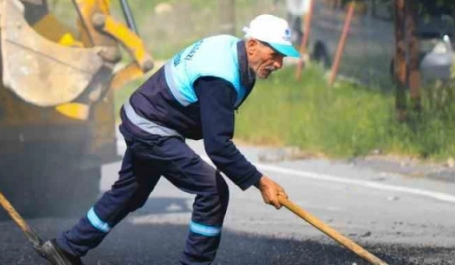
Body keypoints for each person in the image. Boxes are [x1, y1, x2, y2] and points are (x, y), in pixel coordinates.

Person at [38, 14, 298, 265]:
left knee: (131, 193)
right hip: (151, 127)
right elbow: (218, 147)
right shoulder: (219, 76)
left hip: (145, 117)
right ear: (252, 45)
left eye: (282, 57)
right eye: (274, 54)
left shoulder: (233, 50)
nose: (278, 64)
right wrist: (260, 181)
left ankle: (65, 248)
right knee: (213, 189)